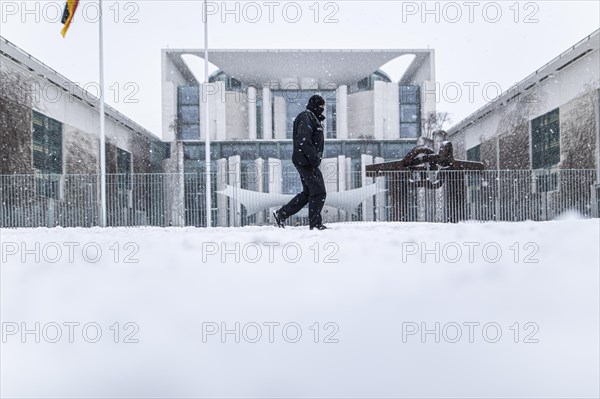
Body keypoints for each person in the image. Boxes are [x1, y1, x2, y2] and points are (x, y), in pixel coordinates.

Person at [273, 94, 328, 230]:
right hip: (306, 161)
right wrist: (314, 159)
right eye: (320, 106)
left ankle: (282, 213)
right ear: (314, 105)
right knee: (319, 191)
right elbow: (304, 140)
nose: (322, 109)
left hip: (306, 160)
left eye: (323, 107)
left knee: (308, 192)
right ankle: (315, 224)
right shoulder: (306, 117)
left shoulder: (313, 118)